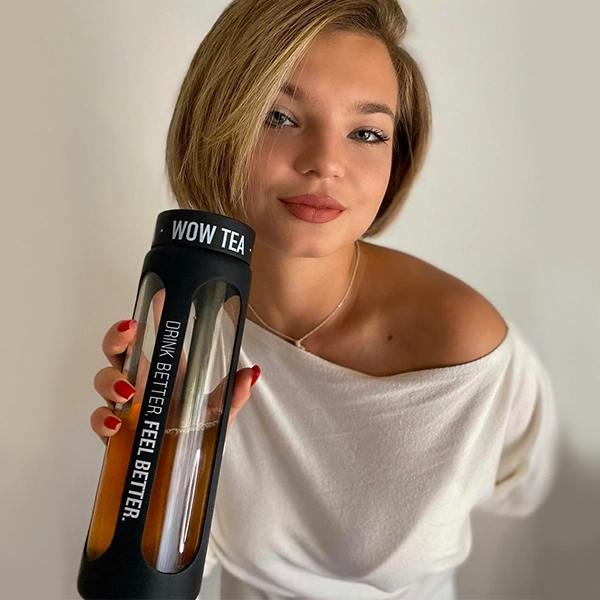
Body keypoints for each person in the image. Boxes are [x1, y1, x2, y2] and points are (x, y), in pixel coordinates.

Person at [89, 1, 559, 598]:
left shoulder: (465, 351)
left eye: (366, 133)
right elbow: (168, 574)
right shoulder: (183, 318)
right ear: (217, 121)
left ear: (397, 156)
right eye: (280, 117)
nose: (325, 164)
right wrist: (161, 464)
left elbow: (529, 490)